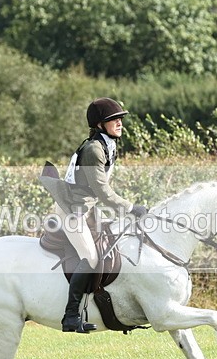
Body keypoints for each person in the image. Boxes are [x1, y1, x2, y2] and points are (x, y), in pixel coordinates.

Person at [41, 98, 148, 333]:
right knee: (89, 257)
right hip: (72, 210)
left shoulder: (106, 145)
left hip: (86, 207)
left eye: (121, 119)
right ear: (100, 124)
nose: (120, 123)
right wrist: (130, 208)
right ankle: (70, 316)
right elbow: (103, 191)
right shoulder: (93, 150)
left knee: (110, 242)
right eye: (114, 120)